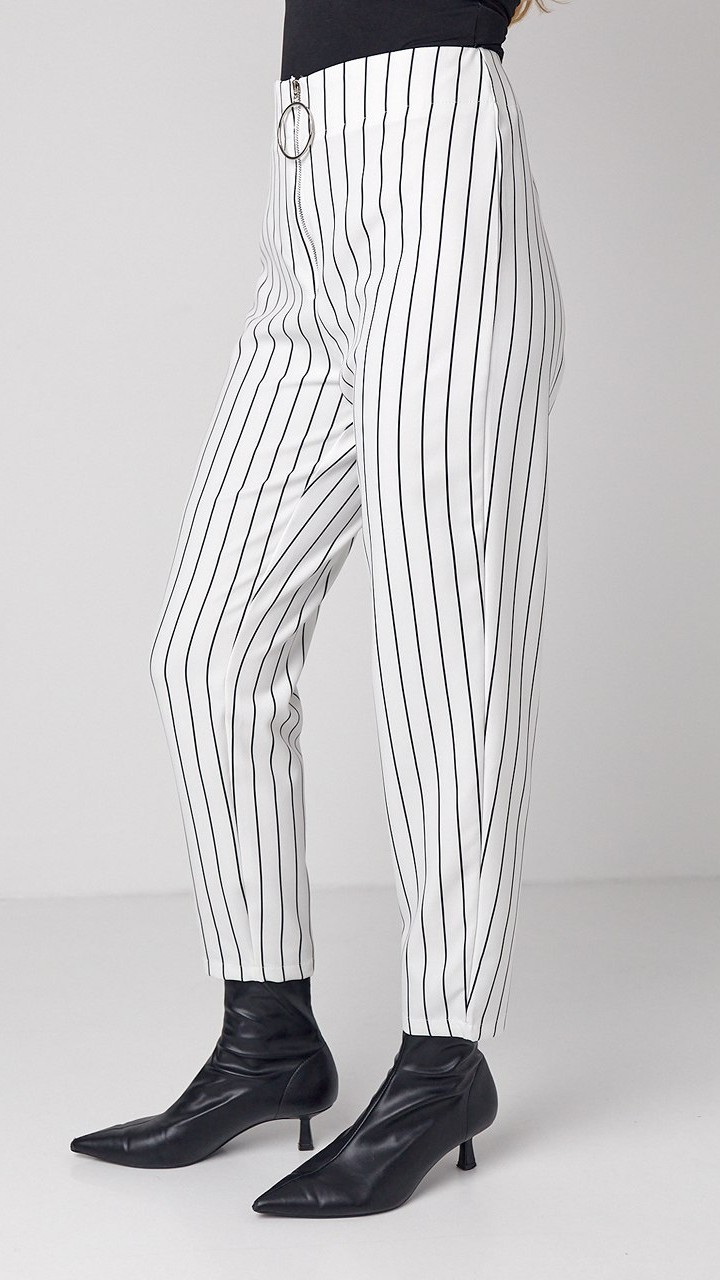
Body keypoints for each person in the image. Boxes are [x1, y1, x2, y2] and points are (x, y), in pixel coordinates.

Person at [70, 0, 566, 1217]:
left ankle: (443, 1061)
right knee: (209, 646)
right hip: (310, 181)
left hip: (440, 162)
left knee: (446, 649)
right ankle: (269, 1039)